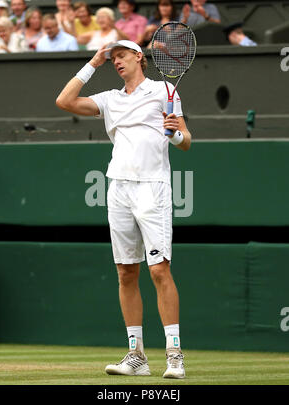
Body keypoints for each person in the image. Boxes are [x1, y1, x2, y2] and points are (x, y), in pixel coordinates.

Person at [56, 39, 191, 379]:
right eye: (112, 56)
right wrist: (93, 62)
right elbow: (64, 101)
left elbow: (186, 141)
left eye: (122, 55)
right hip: (118, 188)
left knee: (159, 270)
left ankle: (174, 354)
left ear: (139, 58)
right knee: (126, 273)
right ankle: (137, 356)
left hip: (153, 188)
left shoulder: (164, 90)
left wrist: (174, 135)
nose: (116, 60)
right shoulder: (110, 99)